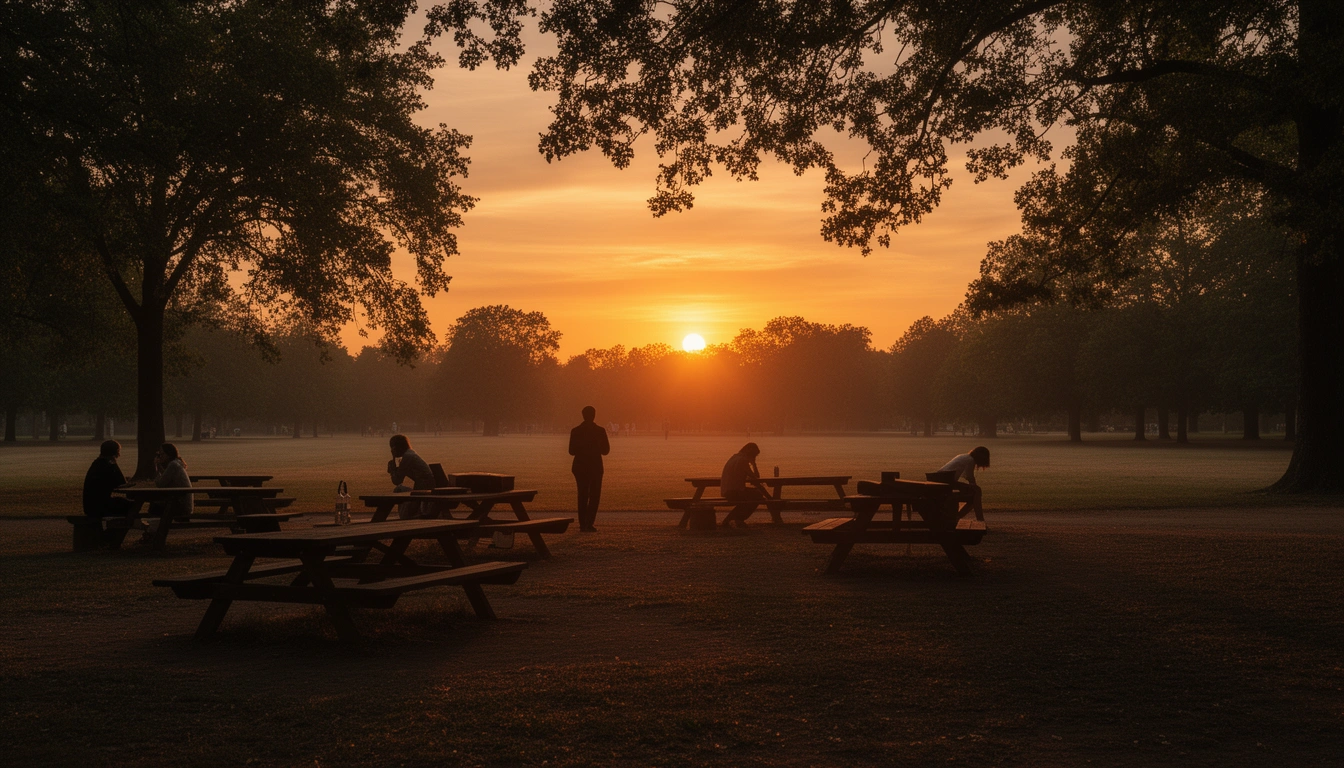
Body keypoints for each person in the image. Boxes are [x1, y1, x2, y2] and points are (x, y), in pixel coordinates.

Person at [569, 406, 610, 532]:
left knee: (582, 494)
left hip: (580, 466)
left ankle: (582, 524)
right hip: (595, 466)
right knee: (594, 495)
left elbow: (571, 451)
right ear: (594, 415)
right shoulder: (600, 431)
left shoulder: (575, 431)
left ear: (583, 415)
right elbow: (606, 451)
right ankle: (589, 523)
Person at [719, 442, 769, 527]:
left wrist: (753, 464)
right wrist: (768, 497)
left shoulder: (734, 457)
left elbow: (755, 478)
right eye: (754, 455)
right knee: (757, 497)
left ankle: (732, 520)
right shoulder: (743, 460)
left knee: (753, 496)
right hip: (734, 492)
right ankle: (735, 519)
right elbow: (756, 479)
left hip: (727, 491)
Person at [387, 434, 435, 519]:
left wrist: (393, 464)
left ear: (395, 447)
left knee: (398, 489)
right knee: (400, 490)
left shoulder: (407, 457)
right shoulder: (410, 454)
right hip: (424, 490)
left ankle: (404, 518)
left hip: (423, 492)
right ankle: (405, 517)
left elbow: (397, 481)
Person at [82, 440, 131, 521]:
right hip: (100, 507)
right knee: (132, 505)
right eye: (118, 451)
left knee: (124, 503)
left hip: (91, 506)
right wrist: (114, 463)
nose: (119, 454)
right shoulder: (108, 465)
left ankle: (117, 529)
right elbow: (121, 483)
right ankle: (119, 529)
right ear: (115, 452)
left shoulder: (97, 463)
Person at [939, 446, 990, 521]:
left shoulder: (963, 456)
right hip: (947, 482)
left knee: (975, 495)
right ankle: (979, 519)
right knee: (977, 492)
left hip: (943, 480)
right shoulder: (970, 460)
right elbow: (970, 477)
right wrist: (974, 487)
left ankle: (958, 517)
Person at [151, 442, 194, 522]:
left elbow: (160, 484)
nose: (160, 456)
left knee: (154, 507)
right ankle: (158, 527)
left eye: (162, 454)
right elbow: (165, 478)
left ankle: (158, 529)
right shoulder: (176, 463)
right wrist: (159, 466)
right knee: (156, 505)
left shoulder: (173, 465)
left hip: (181, 506)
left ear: (168, 454)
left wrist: (156, 467)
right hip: (182, 503)